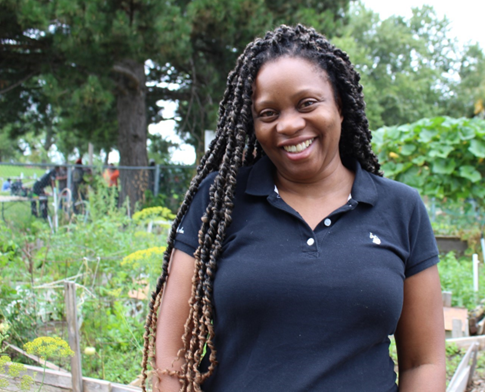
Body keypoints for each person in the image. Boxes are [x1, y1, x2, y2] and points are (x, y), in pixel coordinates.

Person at [143, 25, 445, 392]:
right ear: (252, 124)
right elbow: (173, 360)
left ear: (341, 106)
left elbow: (422, 362)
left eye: (307, 103)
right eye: (268, 113)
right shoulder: (218, 203)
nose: (288, 125)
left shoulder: (400, 208)